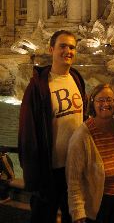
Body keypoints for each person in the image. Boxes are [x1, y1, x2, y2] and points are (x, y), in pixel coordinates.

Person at [18, 30, 87, 223]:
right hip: (50, 170)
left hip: (74, 167)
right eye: (62, 46)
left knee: (71, 216)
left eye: (72, 47)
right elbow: (27, 131)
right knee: (43, 217)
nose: (68, 51)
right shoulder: (38, 85)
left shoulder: (76, 78)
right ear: (51, 49)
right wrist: (33, 174)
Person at [66, 84, 114, 223]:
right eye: (100, 100)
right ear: (92, 103)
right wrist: (78, 212)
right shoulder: (82, 136)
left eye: (109, 99)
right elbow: (74, 179)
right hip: (97, 207)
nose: (105, 104)